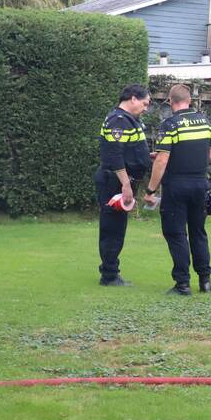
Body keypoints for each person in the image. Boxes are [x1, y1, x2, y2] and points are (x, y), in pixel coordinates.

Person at [144, 84, 211, 296]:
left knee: (176, 233)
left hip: (176, 186)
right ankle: (205, 281)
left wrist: (150, 190)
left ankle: (182, 283)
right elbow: (210, 156)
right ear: (189, 101)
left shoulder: (170, 125)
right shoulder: (205, 122)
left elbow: (162, 160)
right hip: (200, 185)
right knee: (198, 233)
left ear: (170, 101)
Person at [95, 84, 152, 286]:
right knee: (112, 229)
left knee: (118, 228)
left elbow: (130, 151)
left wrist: (146, 156)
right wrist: (126, 185)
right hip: (114, 182)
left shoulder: (129, 120)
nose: (146, 108)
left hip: (120, 181)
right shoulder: (118, 120)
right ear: (133, 98)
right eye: (145, 103)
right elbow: (114, 155)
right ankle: (109, 275)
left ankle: (110, 270)